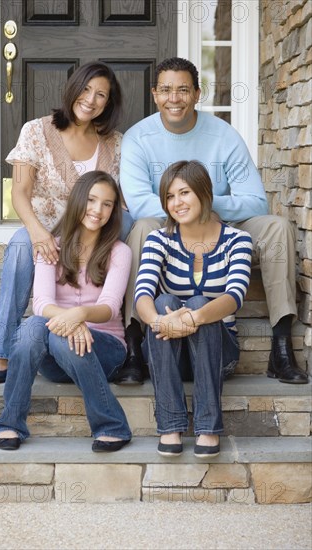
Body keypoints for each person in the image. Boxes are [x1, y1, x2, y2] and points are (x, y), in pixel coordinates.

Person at [115, 56, 308, 386]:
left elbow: (255, 201)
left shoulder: (223, 135)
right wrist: (187, 207)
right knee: (141, 227)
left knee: (277, 227)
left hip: (219, 226)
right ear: (154, 94)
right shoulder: (138, 138)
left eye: (183, 90)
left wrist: (205, 204)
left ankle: (281, 347)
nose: (174, 98)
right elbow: (140, 202)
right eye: (166, 90)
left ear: (197, 93)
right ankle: (135, 347)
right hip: (166, 228)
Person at [0, 61, 133, 384]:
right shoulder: (37, 131)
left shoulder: (115, 143)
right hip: (46, 229)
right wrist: (39, 234)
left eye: (101, 95)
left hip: (92, 235)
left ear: (108, 103)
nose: (91, 100)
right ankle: (1, 352)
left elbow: (120, 199)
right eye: (85, 89)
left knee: (132, 227)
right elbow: (20, 193)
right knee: (22, 247)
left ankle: (124, 339)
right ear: (72, 89)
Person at [0, 170, 132, 452]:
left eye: (107, 204)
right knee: (34, 326)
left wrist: (79, 315)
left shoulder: (119, 251)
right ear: (78, 201)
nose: (98, 210)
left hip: (105, 351)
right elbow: (42, 303)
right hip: (56, 360)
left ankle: (112, 426)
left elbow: (108, 308)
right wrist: (70, 321)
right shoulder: (51, 247)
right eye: (92, 200)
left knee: (55, 332)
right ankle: (11, 422)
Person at [135, 160, 253, 457]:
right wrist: (161, 322)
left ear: (204, 192)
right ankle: (171, 426)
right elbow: (142, 296)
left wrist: (193, 317)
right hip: (167, 352)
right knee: (163, 302)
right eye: (170, 197)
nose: (177, 203)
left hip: (217, 355)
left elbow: (234, 296)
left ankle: (208, 427)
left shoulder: (237, 240)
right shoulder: (158, 239)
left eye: (184, 192)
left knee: (203, 302)